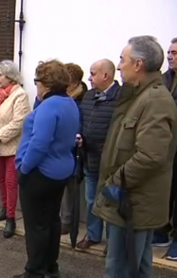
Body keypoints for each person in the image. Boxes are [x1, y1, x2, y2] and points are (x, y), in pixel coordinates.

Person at [93, 35, 177, 277]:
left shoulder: (156, 100)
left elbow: (151, 156)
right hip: (126, 201)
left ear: (138, 64)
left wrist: (115, 181)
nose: (119, 66)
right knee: (137, 267)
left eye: (122, 59)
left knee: (120, 269)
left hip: (133, 203)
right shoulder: (137, 96)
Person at [14, 60, 80, 278]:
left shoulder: (49, 107)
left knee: (36, 226)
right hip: (61, 170)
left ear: (47, 83)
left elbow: (39, 143)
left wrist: (24, 169)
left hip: (40, 173)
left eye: (37, 81)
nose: (36, 86)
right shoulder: (69, 103)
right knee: (51, 220)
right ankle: (51, 267)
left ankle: (34, 271)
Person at [76, 59, 120, 252]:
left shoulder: (121, 98)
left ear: (105, 75)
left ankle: (112, 243)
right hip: (90, 158)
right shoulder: (88, 96)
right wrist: (79, 135)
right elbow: (82, 119)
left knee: (111, 202)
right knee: (91, 199)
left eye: (93, 73)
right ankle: (93, 235)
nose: (89, 78)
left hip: (111, 163)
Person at [0, 60, 30, 238]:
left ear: (10, 76)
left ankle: (11, 218)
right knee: (0, 178)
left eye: (0, 75)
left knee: (11, 182)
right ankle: (4, 208)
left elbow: (19, 122)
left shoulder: (20, 95)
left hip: (12, 146)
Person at [153, 37, 177, 261]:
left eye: (175, 53)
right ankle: (161, 230)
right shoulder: (163, 80)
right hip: (166, 144)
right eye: (169, 52)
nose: (170, 56)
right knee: (165, 188)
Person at [59, 63, 87, 235]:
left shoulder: (83, 99)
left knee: (70, 187)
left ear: (75, 82)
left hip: (75, 150)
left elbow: (83, 122)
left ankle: (67, 221)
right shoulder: (60, 97)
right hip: (59, 148)